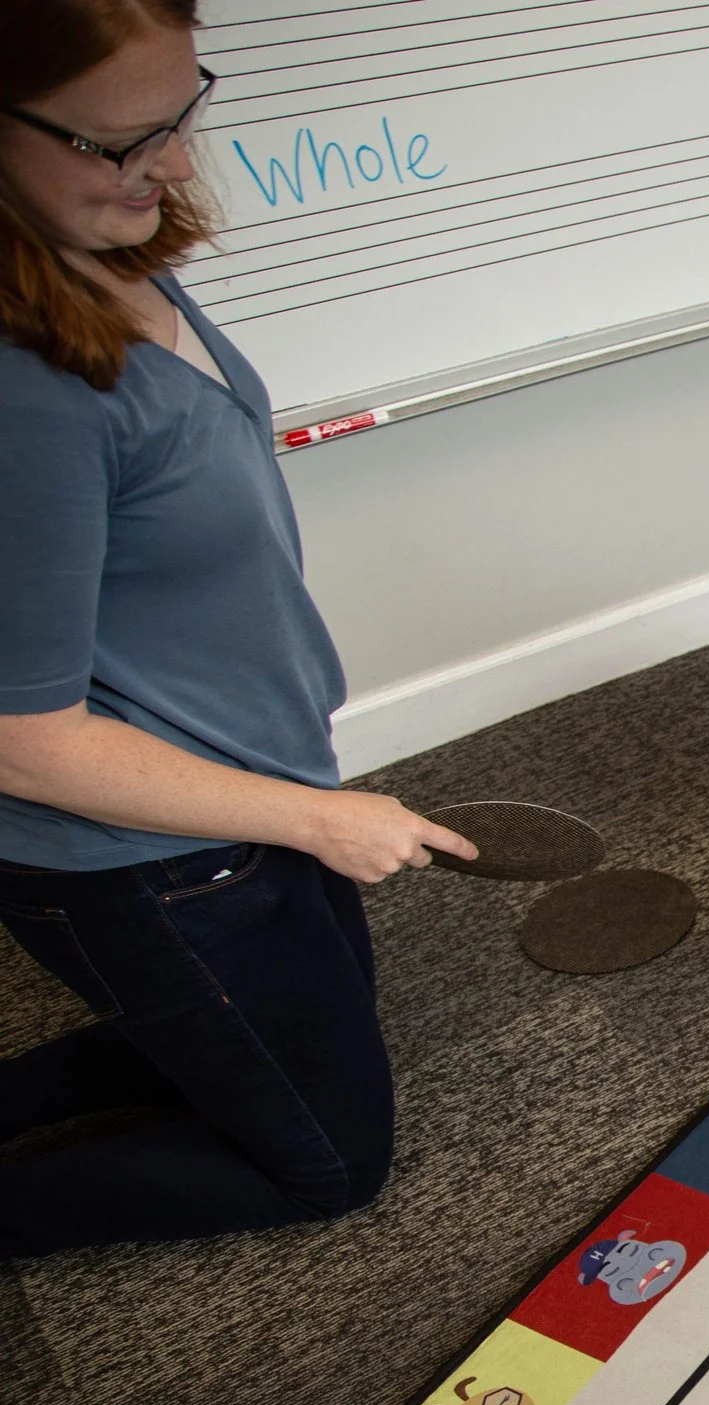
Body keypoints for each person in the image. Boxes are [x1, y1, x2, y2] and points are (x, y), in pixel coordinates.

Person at [0, 0, 473, 1256]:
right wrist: (323, 818)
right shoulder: (23, 396)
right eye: (118, 143)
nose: (173, 164)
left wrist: (302, 796)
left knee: (287, 1028)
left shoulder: (103, 254)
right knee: (330, 1158)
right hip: (140, 857)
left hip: (246, 777)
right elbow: (21, 740)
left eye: (179, 114)